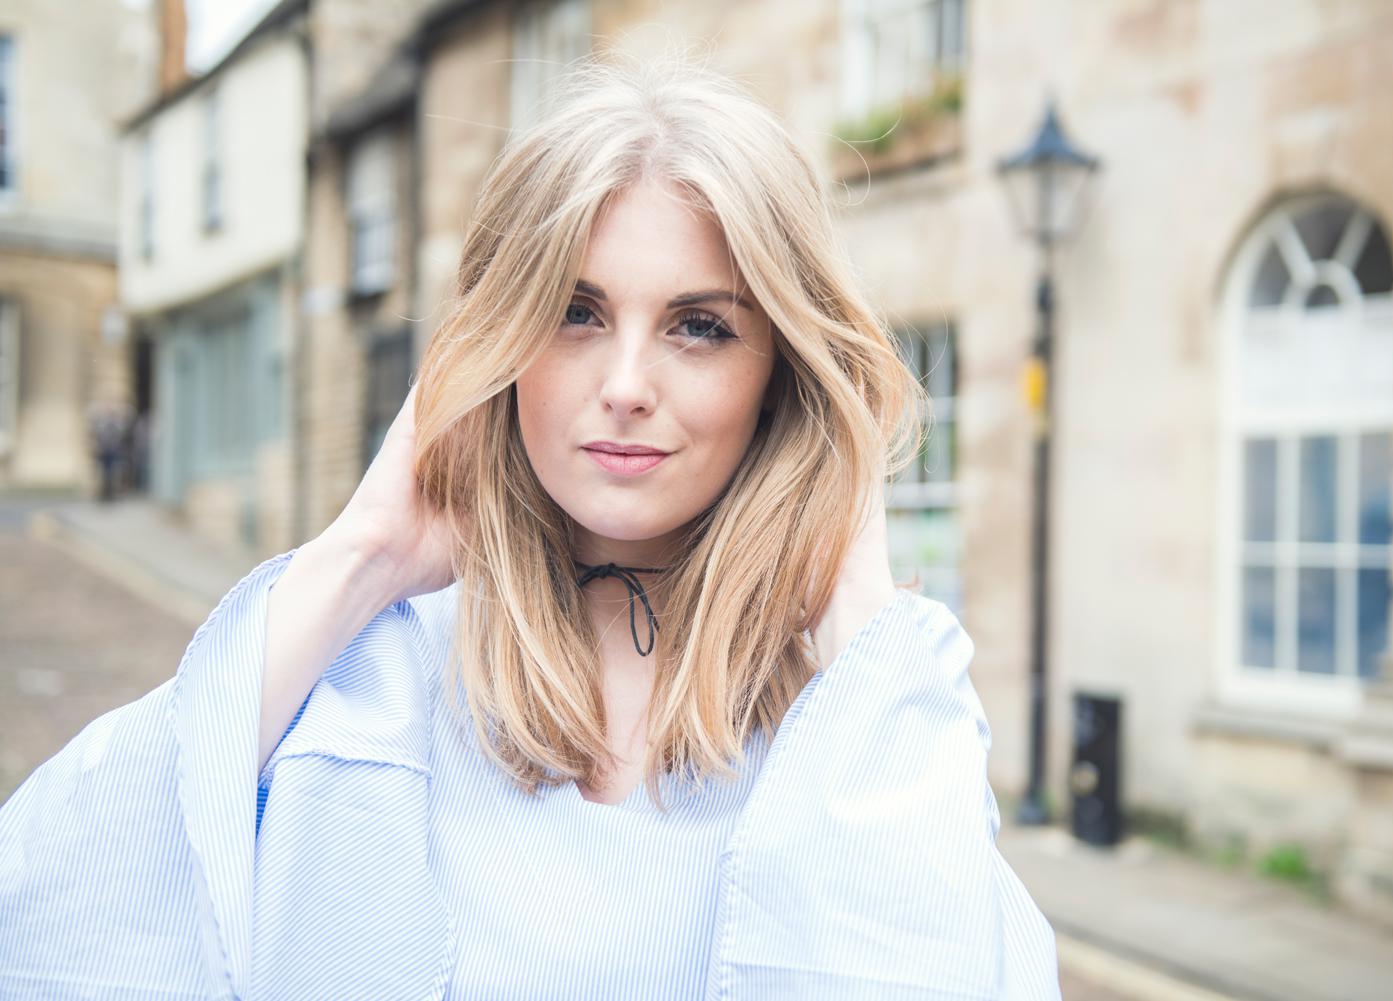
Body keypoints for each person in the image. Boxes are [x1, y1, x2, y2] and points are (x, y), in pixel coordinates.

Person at [0, 51, 1062, 999]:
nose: (627, 385)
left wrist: (856, 616)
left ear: (780, 372)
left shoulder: (873, 724)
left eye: (699, 326)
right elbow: (55, 910)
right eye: (575, 310)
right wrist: (361, 556)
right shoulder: (371, 675)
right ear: (504, 335)